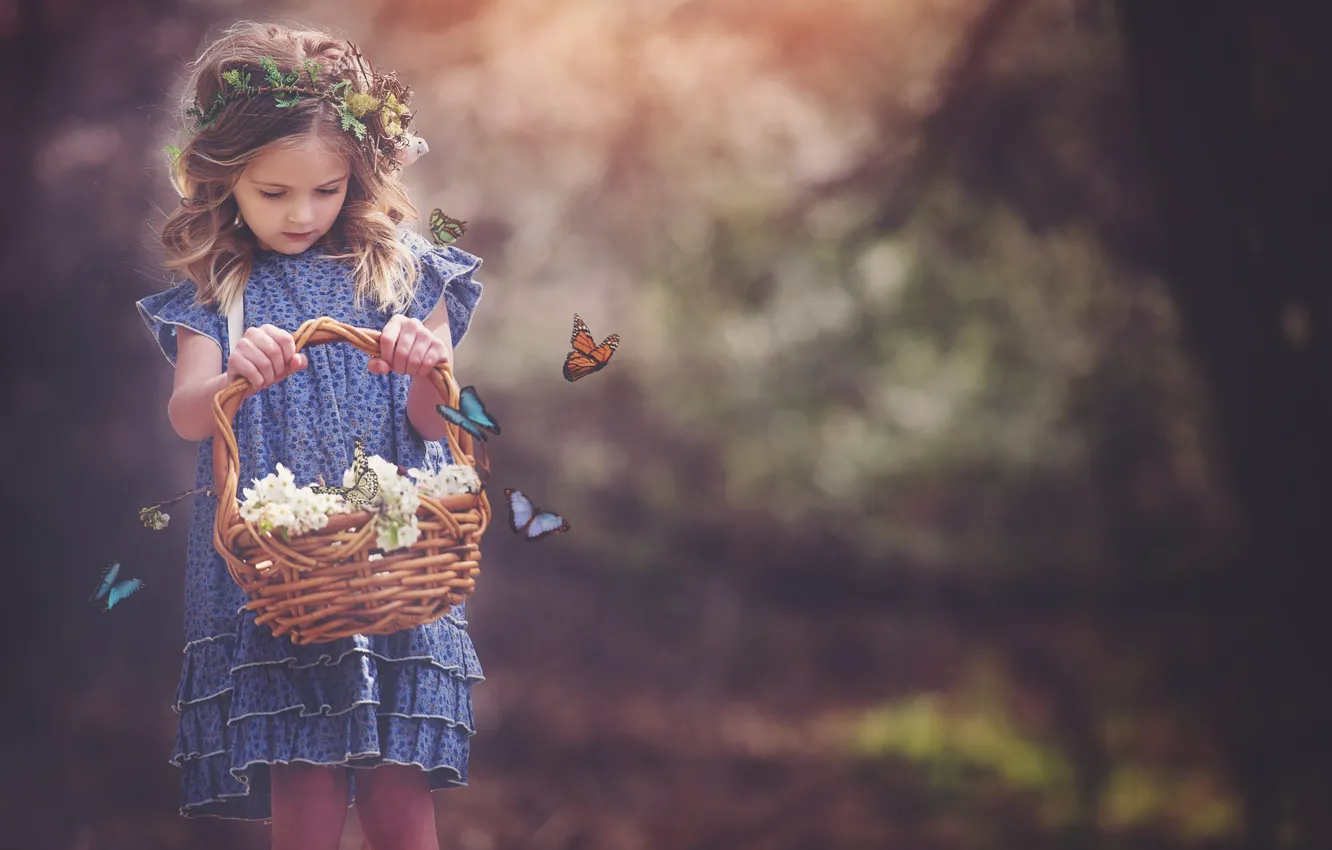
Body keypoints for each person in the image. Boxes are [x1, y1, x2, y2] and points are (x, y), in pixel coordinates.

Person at [135, 20, 483, 850]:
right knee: (308, 789)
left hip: (396, 555)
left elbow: (436, 421)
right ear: (224, 178)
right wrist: (234, 375)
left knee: (401, 796)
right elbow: (189, 414)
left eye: (326, 190)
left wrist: (427, 367)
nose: (302, 213)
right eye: (273, 193)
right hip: (283, 573)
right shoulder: (221, 289)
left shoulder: (405, 273)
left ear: (357, 175)